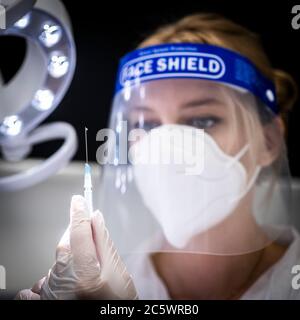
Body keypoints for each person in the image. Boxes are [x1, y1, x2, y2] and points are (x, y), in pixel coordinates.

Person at [17, 13, 300, 300]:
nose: (166, 148)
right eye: (146, 124)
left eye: (201, 121)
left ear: (268, 141)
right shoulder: (102, 283)